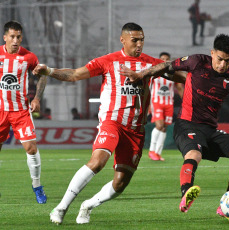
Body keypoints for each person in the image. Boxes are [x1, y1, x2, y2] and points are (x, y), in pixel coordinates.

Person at [33, 22, 185, 225]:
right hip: (112, 122)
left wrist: (193, 74)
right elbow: (76, 74)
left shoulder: (151, 64)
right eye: (135, 40)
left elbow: (179, 75)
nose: (139, 44)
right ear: (122, 40)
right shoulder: (107, 61)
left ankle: (88, 205)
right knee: (98, 161)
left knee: (121, 183)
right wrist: (50, 71)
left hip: (136, 130)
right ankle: (61, 207)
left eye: (142, 40)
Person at [120, 34, 229, 222]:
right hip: (186, 125)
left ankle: (226, 203)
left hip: (209, 130)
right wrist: (140, 74)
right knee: (194, 155)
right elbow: (166, 66)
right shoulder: (197, 62)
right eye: (219, 59)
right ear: (212, 54)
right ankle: (186, 194)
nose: (222, 65)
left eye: (227, 60)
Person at [0, 21, 47, 204]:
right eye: (12, 36)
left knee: (31, 148)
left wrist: (36, 98)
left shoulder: (29, 57)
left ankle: (37, 186)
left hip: (21, 111)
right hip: (1, 110)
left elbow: (42, 75)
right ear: (5, 37)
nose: (15, 40)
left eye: (18, 37)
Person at [148, 52, 184, 161]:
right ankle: (151, 150)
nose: (164, 60)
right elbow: (148, 87)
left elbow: (179, 88)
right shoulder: (154, 72)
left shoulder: (173, 73)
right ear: (158, 60)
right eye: (162, 58)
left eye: (166, 59)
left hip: (168, 104)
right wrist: (148, 104)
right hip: (156, 102)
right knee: (159, 125)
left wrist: (185, 102)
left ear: (169, 60)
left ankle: (158, 153)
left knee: (164, 128)